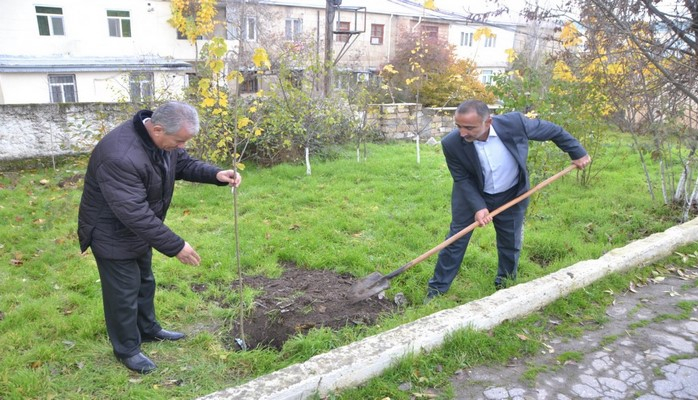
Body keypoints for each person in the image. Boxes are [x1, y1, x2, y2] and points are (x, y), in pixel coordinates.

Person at [78, 101, 242, 374]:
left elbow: (182, 163)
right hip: (111, 231)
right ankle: (128, 349)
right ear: (157, 129)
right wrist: (176, 245)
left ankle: (148, 329)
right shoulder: (120, 154)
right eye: (179, 141)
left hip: (139, 230)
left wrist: (215, 174)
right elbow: (134, 213)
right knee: (123, 293)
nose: (181, 147)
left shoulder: (162, 142)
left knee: (144, 281)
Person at [426, 99, 591, 300]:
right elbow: (462, 178)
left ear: (488, 122)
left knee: (510, 242)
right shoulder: (451, 143)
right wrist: (478, 207)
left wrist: (578, 152)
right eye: (459, 126)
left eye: (469, 127)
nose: (462, 132)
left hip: (511, 193)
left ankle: (504, 284)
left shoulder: (515, 124)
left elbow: (554, 131)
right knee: (455, 241)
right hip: (471, 195)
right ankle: (436, 291)